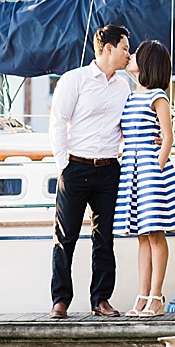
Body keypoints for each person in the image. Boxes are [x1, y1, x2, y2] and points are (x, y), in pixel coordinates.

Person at [48, 24, 131, 319]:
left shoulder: (124, 86)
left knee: (104, 237)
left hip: (109, 169)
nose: (128, 54)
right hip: (76, 167)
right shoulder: (75, 80)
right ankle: (60, 300)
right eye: (124, 48)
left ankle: (101, 299)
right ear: (108, 49)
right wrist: (63, 164)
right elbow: (58, 122)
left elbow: (127, 126)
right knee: (65, 237)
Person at [113, 39, 175, 317]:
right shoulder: (131, 96)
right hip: (132, 169)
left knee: (156, 234)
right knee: (141, 236)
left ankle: (156, 297)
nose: (130, 56)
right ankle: (142, 296)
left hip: (150, 170)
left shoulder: (157, 96)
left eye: (136, 54)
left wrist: (157, 167)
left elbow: (168, 136)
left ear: (147, 63)